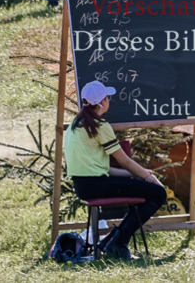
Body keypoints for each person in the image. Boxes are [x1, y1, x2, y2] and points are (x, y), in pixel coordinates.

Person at [64, 80, 166, 260]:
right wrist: (148, 177)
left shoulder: (75, 125)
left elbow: (98, 168)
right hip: (97, 185)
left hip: (84, 186)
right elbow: (125, 161)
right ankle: (117, 243)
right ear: (102, 102)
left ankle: (111, 241)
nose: (109, 101)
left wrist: (136, 176)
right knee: (158, 194)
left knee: (143, 189)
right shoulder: (99, 126)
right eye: (108, 97)